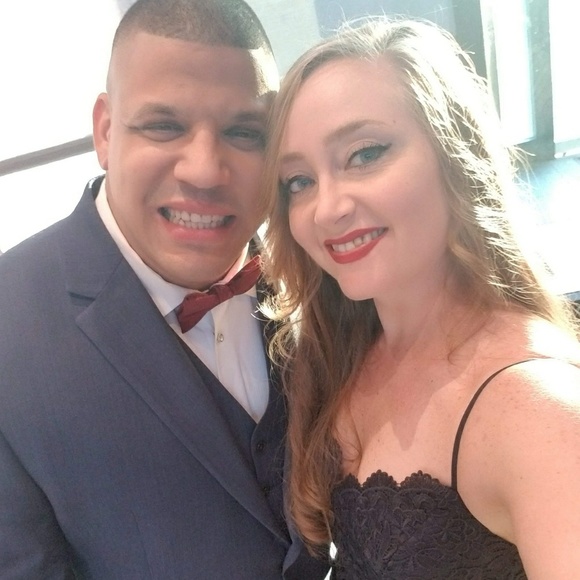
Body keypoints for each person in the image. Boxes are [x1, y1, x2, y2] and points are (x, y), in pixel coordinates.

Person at [0, 0, 329, 578]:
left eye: (244, 132)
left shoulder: (324, 268)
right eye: (164, 126)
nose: (204, 170)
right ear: (106, 131)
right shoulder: (10, 323)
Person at [261, 16, 580, 579]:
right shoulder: (342, 356)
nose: (327, 208)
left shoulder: (536, 408)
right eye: (299, 181)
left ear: (454, 155)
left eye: (365, 154)